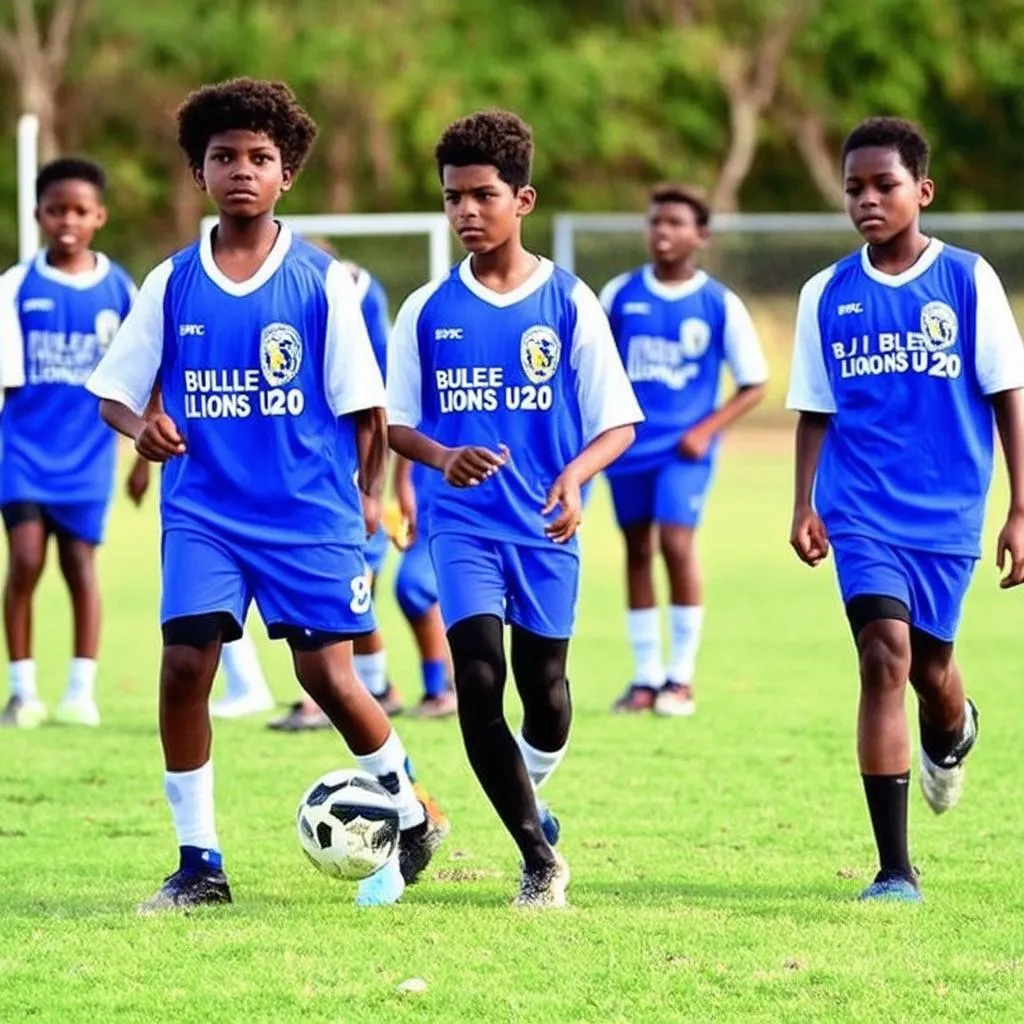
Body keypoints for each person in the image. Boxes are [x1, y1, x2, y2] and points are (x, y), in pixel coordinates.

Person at [87, 77, 446, 910]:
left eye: (260, 157)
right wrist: (140, 428)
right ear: (198, 172)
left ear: (287, 174)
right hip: (204, 513)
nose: (241, 169)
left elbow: (368, 410)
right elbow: (112, 390)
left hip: (305, 514)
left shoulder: (325, 284)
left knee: (329, 680)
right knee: (184, 668)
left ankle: (409, 805)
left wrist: (371, 497)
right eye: (223, 157)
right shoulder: (171, 283)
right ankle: (199, 864)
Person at [387, 110, 642, 907]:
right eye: (453, 198)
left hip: (543, 527)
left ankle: (528, 794)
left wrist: (571, 479)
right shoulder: (425, 310)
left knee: (549, 693)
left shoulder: (569, 303)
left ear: (522, 200)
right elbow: (397, 423)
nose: (466, 211)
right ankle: (538, 859)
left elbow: (619, 424)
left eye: (482, 196)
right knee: (477, 675)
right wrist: (441, 457)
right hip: (460, 526)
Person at [786, 116, 1024, 902]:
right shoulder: (826, 293)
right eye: (853, 187)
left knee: (931, 668)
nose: (866, 200)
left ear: (921, 190)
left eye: (883, 185)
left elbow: (1007, 395)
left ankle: (953, 729)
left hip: (949, 509)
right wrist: (803, 504)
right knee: (884, 655)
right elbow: (814, 410)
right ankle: (895, 869)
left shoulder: (967, 279)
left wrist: (1020, 508)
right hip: (859, 509)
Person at [601, 184, 768, 716]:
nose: (662, 232)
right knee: (636, 549)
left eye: (675, 223)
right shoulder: (620, 295)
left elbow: (755, 383)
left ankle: (682, 677)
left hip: (684, 451)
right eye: (655, 222)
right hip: (627, 448)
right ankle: (646, 676)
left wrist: (707, 427)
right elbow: (595, 369)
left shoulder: (718, 302)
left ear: (701, 235)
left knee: (676, 544)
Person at [0, 157, 136, 728]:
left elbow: (141, 379)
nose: (67, 221)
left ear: (99, 215)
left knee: (81, 566)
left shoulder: (120, 288)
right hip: (23, 452)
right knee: (26, 559)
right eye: (56, 210)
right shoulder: (15, 286)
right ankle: (22, 689)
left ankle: (81, 690)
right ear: (38, 215)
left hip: (89, 457)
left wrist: (141, 464)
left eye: (80, 210)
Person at [269, 250, 401, 730]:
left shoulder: (356, 316)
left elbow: (378, 414)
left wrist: (376, 489)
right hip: (307, 490)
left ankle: (365, 689)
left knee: (356, 593)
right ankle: (373, 687)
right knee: (353, 595)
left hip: (341, 488)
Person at [390, 454, 457, 718]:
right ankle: (439, 689)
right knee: (413, 588)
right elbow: (405, 423)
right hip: (427, 494)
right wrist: (402, 484)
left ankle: (447, 688)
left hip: (476, 501)